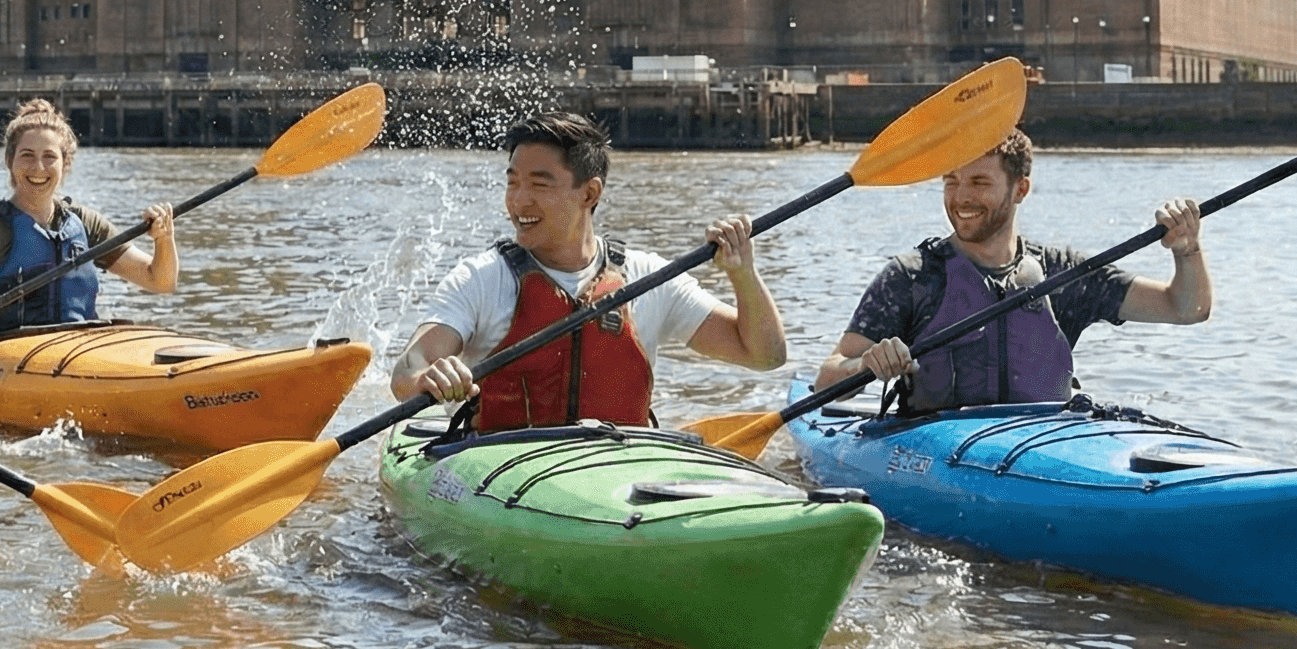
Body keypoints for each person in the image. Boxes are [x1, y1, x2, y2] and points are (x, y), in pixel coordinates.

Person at [390, 111, 788, 430]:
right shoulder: (481, 278)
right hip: (500, 473)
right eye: (512, 183)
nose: (519, 201)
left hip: (613, 470)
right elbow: (407, 370)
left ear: (590, 193)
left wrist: (743, 274)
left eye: (539, 185)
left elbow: (764, 355)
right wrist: (429, 377)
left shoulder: (649, 276)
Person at [812, 127, 1211, 411]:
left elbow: (1185, 308)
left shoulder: (1063, 274)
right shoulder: (911, 277)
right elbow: (826, 381)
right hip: (940, 451)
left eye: (980, 182)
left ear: (1020, 188)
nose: (961, 197)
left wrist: (1186, 249)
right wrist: (866, 364)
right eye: (952, 182)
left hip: (1043, 449)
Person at [0, 98, 176, 343]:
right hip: (0, 357)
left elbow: (160, 281)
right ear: (10, 161)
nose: (38, 167)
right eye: (27, 155)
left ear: (65, 163)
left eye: (49, 157)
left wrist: (164, 239)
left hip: (75, 353)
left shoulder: (87, 224)